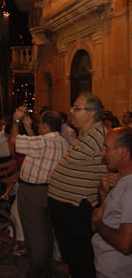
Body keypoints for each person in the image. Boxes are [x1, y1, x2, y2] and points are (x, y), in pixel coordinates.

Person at [48, 93, 107, 278]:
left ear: (91, 114)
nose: (70, 111)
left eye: (76, 108)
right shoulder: (85, 135)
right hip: (68, 211)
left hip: (77, 211)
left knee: (81, 260)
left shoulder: (100, 138)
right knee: (73, 260)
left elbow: (108, 174)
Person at [10, 108, 69, 277]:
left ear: (45, 126)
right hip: (49, 190)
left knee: (34, 232)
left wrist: (16, 121)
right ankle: (44, 266)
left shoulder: (43, 143)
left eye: (40, 123)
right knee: (44, 231)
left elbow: (14, 140)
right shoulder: (62, 142)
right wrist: (30, 130)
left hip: (33, 191)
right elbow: (37, 147)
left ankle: (37, 269)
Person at [92, 127, 132, 278]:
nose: (103, 154)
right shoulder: (120, 179)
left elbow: (125, 244)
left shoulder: (130, 190)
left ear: (122, 151)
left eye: (106, 148)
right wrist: (103, 193)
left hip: (116, 270)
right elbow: (110, 215)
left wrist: (97, 222)